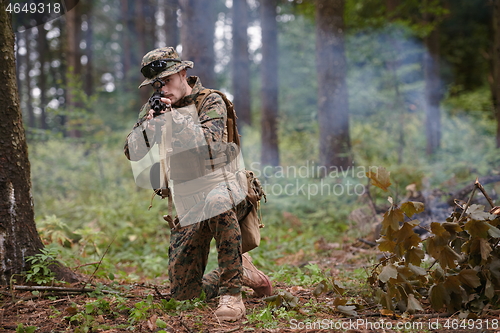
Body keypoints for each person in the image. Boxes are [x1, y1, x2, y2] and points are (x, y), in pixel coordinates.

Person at [124, 46, 272, 321]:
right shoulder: (154, 107)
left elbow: (211, 145)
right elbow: (132, 152)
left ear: (182, 73)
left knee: (216, 201)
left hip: (226, 190)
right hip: (187, 202)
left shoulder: (210, 101)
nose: (162, 89)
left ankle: (232, 295)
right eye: (156, 85)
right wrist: (148, 127)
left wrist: (175, 119)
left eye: (166, 80)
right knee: (184, 296)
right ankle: (240, 270)